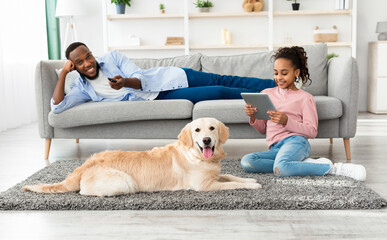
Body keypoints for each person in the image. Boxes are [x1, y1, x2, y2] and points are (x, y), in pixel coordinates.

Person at [240, 46, 366, 181]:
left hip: (296, 142)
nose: (279, 78)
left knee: (281, 169)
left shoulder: (305, 98)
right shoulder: (266, 93)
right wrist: (253, 116)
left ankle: (334, 169)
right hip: (275, 147)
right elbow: (262, 130)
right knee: (247, 162)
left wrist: (286, 121)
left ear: (296, 72)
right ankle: (295, 165)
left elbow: (312, 131)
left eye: (284, 73)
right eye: (276, 73)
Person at [51, 42, 275, 114]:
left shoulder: (111, 58)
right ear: (74, 66)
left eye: (88, 56)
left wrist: (125, 83)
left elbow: (138, 76)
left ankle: (275, 86)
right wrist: (63, 73)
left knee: (224, 79)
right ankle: (269, 96)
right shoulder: (82, 89)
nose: (88, 63)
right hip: (162, 97)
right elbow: (57, 107)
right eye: (79, 62)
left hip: (170, 77)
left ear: (92, 53)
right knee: (218, 92)